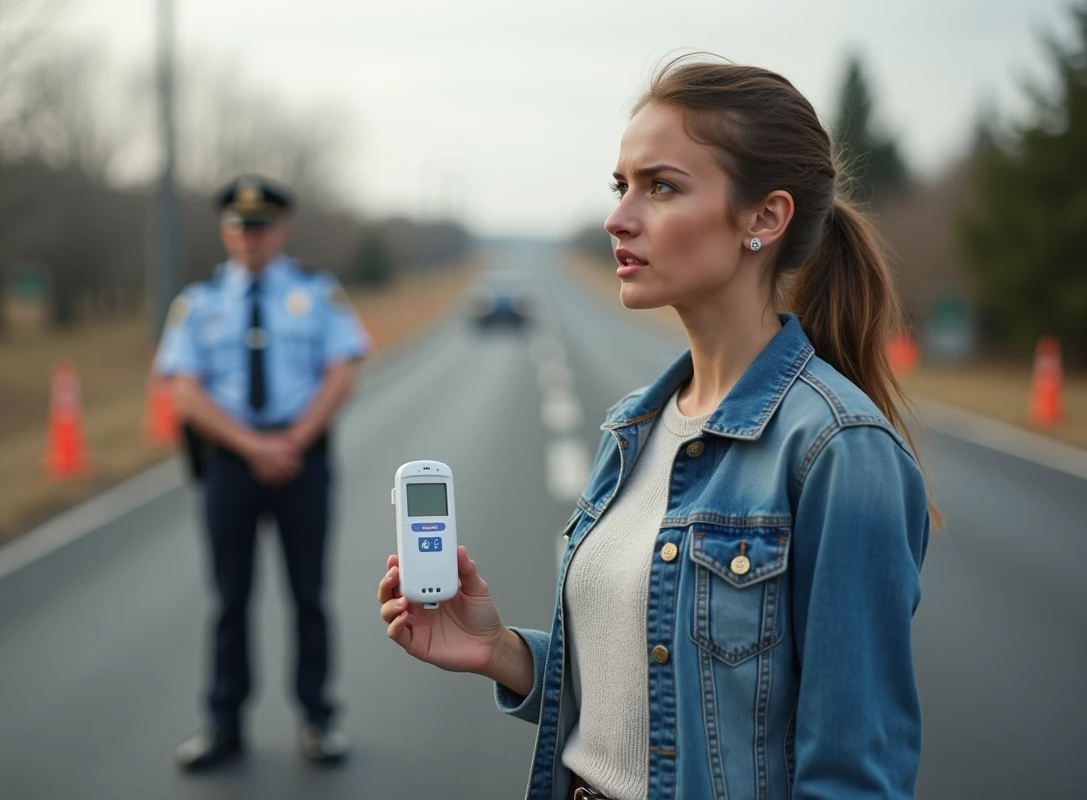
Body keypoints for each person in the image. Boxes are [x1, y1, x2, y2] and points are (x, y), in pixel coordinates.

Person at [377, 59, 936, 800]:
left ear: (764, 218)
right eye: (621, 185)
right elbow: (669, 709)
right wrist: (501, 652)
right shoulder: (637, 425)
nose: (618, 217)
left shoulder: (840, 451)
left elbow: (854, 777)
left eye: (661, 186)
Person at [157, 174, 371, 770]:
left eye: (261, 226)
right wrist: (252, 447)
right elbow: (184, 391)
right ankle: (223, 725)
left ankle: (318, 721)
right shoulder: (198, 304)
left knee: (309, 597)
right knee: (229, 600)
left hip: (302, 460)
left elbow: (341, 373)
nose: (250, 237)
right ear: (226, 231)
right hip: (230, 464)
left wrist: (291, 441)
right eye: (239, 226)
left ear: (281, 230)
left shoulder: (317, 292)